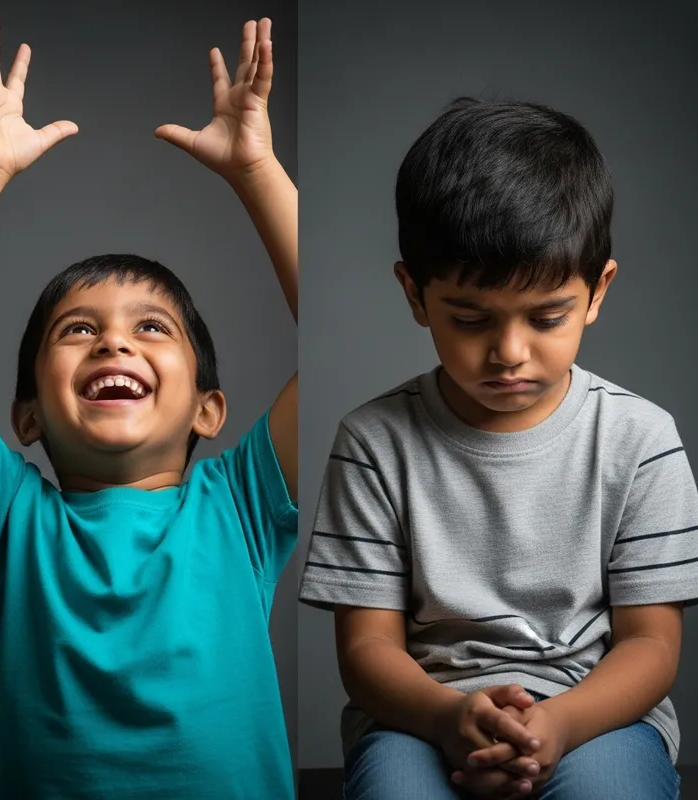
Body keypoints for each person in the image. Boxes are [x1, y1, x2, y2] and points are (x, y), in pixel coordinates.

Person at [0, 15, 297, 800]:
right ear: (27, 419)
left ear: (208, 411)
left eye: (152, 328)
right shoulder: (7, 521)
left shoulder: (243, 507)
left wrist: (256, 170)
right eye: (78, 331)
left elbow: (332, 317)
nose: (113, 345)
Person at [299, 97, 696, 799]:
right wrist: (450, 716)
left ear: (598, 289)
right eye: (469, 318)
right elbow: (366, 651)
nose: (509, 353)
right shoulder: (374, 443)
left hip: (597, 716)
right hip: (417, 717)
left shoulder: (642, 440)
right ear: (415, 295)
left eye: (546, 317)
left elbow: (651, 646)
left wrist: (563, 725)